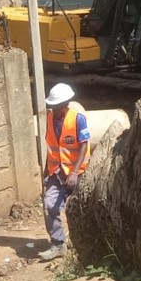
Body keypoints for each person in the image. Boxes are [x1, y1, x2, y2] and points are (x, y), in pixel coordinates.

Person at [39, 83, 91, 261]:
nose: (54, 108)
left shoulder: (77, 119)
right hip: (56, 173)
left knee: (80, 209)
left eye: (57, 105)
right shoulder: (49, 119)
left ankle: (86, 244)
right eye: (52, 105)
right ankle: (58, 244)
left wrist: (75, 173)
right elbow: (51, 148)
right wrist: (46, 174)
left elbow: (84, 145)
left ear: (66, 104)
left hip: (77, 173)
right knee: (49, 204)